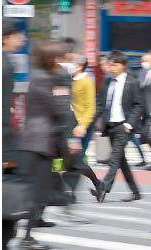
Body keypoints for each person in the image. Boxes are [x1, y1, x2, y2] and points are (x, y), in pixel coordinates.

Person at [17, 41, 81, 249]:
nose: (65, 61)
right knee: (37, 191)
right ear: (52, 58)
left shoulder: (36, 76)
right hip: (44, 140)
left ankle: (27, 233)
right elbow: (61, 109)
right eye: (62, 57)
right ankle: (26, 237)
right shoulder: (53, 79)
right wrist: (71, 139)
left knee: (36, 189)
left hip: (32, 138)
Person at [93, 50, 143, 202]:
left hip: (123, 126)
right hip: (110, 126)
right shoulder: (107, 81)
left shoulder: (132, 82)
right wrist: (92, 121)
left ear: (123, 66)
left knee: (114, 159)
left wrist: (129, 124)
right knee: (121, 161)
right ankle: (135, 191)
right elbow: (101, 104)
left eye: (115, 65)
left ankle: (103, 188)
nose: (112, 67)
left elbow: (138, 105)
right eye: (110, 64)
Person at [62, 53, 105, 202]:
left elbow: (90, 107)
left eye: (72, 62)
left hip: (81, 124)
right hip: (71, 123)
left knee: (76, 160)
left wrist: (83, 125)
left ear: (80, 66)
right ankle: (97, 186)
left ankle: (94, 186)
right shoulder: (70, 79)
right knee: (71, 160)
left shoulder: (86, 81)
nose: (69, 65)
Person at [2, 17, 27, 250]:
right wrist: (8, 154)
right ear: (5, 38)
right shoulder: (4, 65)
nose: (23, 38)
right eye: (19, 34)